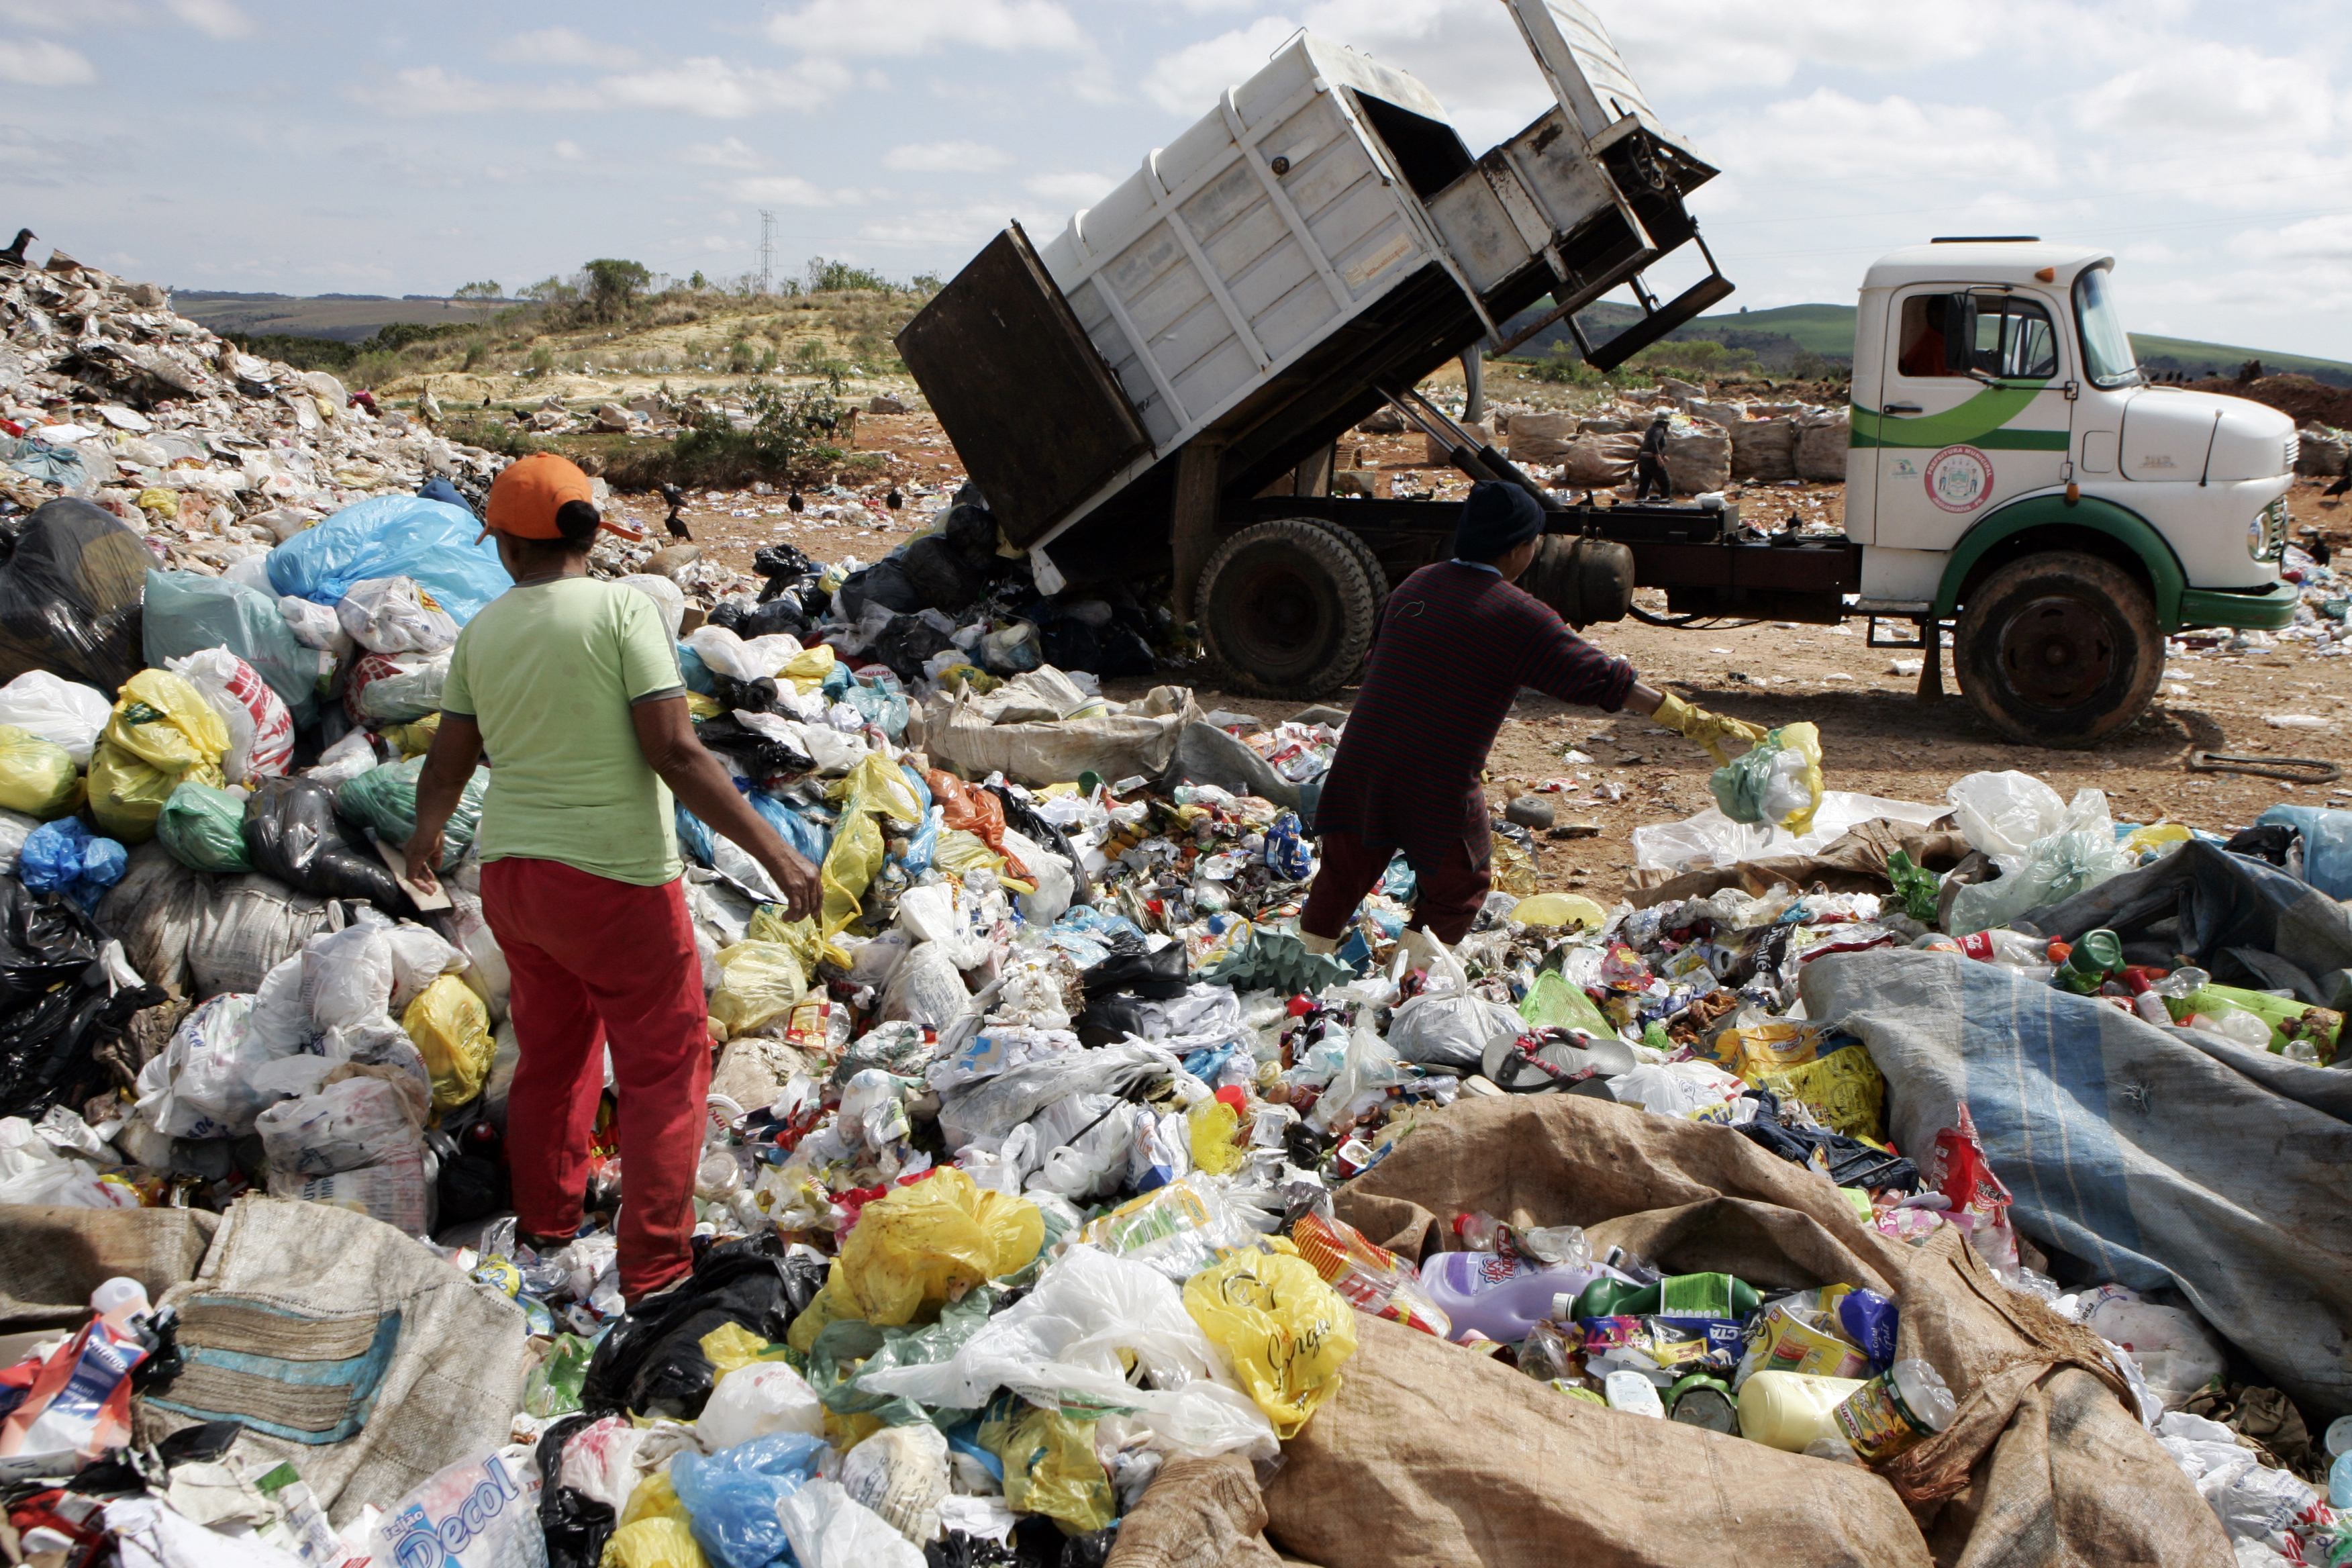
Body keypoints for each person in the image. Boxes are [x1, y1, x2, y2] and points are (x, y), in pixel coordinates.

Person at [406, 452, 821, 1305]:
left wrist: (425, 836)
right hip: (615, 880)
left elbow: (447, 762)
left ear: (508, 547)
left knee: (552, 1055)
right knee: (665, 1066)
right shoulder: (625, 609)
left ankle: (546, 1225)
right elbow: (674, 751)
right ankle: (655, 1269)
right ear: (589, 536)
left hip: (515, 879)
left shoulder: (483, 631)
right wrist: (777, 854)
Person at [1297, 481, 1753, 967]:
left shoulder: (1416, 584)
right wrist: (1686, 717)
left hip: (1361, 760)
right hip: (1436, 776)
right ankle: (1403, 988)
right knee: (1460, 888)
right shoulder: (1519, 614)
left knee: (1342, 876)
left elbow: (1382, 659)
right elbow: (1600, 677)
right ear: (1518, 548)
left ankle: (1297, 973)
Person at [1634, 413, 1671, 499]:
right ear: (1666, 423)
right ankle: (1665, 503)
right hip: (1652, 460)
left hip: (1643, 460)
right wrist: (1659, 459)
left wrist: (1663, 456)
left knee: (1644, 484)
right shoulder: (1660, 430)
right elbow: (1654, 442)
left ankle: (1638, 504)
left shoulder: (1651, 428)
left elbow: (1648, 445)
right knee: (1666, 483)